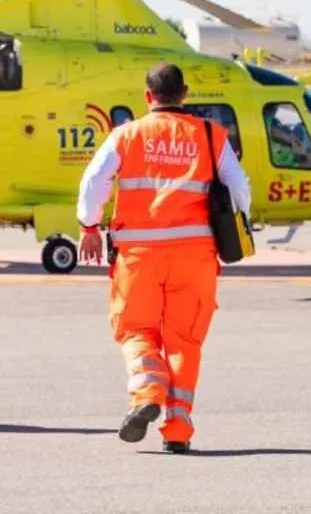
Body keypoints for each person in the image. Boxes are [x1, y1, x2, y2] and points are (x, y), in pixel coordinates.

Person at [75, 63, 251, 454]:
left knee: (136, 330)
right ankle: (177, 430)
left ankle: (146, 394)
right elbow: (240, 189)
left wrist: (89, 226)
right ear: (185, 93)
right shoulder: (211, 135)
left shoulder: (127, 135)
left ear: (147, 96)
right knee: (184, 340)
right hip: (195, 256)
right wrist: (235, 225)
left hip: (138, 256)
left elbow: (93, 182)